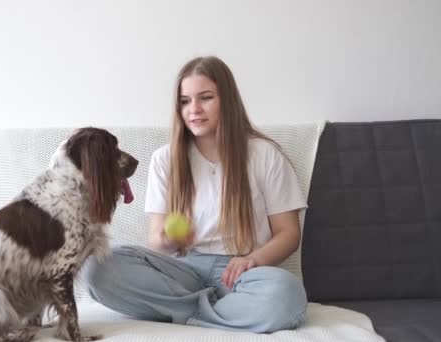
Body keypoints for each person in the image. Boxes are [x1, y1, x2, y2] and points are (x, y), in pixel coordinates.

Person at [82, 56, 308, 333]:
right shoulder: (164, 159)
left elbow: (288, 233)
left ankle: (181, 312)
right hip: (182, 272)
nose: (194, 109)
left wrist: (254, 260)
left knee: (287, 295)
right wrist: (168, 238)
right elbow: (155, 240)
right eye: (185, 101)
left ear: (227, 100)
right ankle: (213, 312)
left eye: (206, 98)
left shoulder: (264, 155)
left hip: (244, 274)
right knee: (97, 265)